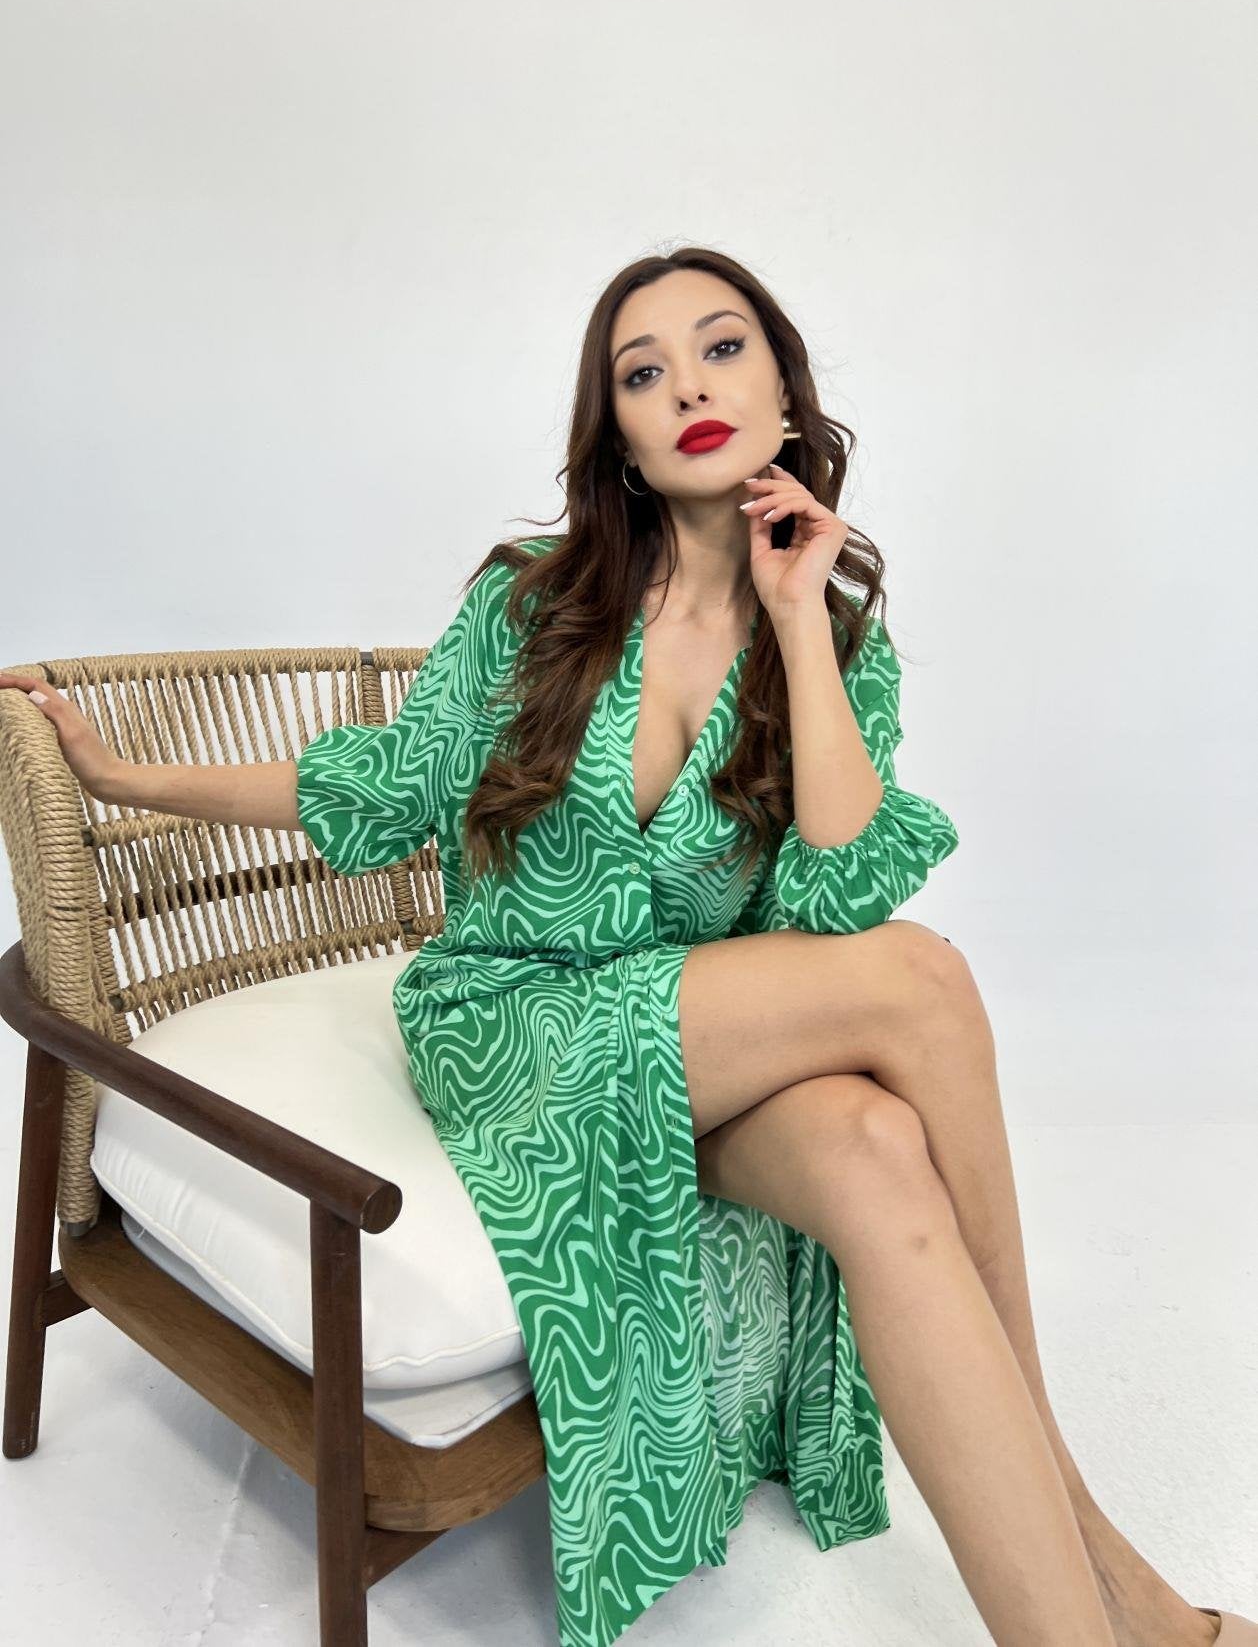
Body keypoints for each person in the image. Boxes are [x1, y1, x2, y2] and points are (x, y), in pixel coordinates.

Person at [5, 247, 1248, 1647]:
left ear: (786, 394)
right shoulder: (532, 605)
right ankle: (1102, 1548)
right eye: (644, 373)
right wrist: (128, 778)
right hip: (515, 1026)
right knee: (927, 979)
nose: (688, 390)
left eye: (721, 350)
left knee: (873, 1148)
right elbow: (382, 786)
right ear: (622, 438)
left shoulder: (837, 643)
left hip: (689, 1054)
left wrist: (797, 620)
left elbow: (837, 893)